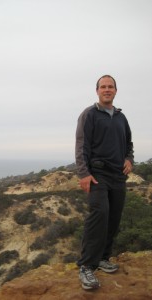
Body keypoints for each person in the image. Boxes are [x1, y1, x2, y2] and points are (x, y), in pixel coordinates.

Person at [75, 75, 134, 290]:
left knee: (114, 217)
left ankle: (103, 258)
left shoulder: (121, 117)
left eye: (110, 87)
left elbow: (129, 144)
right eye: (103, 87)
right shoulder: (89, 115)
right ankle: (86, 266)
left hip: (118, 176)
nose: (107, 90)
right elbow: (82, 145)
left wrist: (129, 159)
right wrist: (83, 173)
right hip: (97, 175)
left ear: (116, 91)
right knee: (99, 215)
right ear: (97, 91)